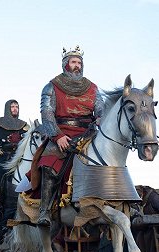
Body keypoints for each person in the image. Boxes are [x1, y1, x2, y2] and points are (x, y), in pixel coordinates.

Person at [36, 45, 104, 227]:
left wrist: (99, 119)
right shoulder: (52, 85)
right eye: (73, 62)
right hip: (62, 132)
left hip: (88, 134)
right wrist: (57, 136)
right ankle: (44, 210)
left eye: (79, 62)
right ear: (66, 64)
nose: (77, 65)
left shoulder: (92, 87)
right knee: (49, 164)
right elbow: (47, 112)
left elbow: (100, 109)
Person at [0, 99, 29, 222]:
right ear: (7, 108)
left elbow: (31, 137)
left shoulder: (24, 125)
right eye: (13, 107)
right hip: (2, 154)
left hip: (18, 156)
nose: (15, 109)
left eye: (17, 107)